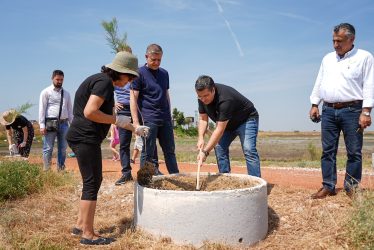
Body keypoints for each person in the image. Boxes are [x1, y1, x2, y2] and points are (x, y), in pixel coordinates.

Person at [66, 51, 149, 245]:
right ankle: (88, 234)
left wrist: (134, 128)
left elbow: (104, 115)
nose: (129, 82)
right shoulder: (103, 83)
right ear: (119, 72)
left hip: (84, 137)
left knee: (94, 180)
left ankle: (80, 224)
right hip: (84, 137)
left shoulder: (100, 80)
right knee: (91, 182)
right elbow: (90, 112)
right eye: (129, 77)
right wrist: (115, 119)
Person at [309, 23, 374, 199]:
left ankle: (351, 188)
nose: (336, 45)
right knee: (327, 151)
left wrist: (366, 112)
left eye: (340, 41)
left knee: (354, 151)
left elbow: (369, 85)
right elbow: (319, 81)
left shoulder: (365, 57)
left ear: (351, 39)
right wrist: (315, 103)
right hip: (328, 110)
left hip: (353, 110)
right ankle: (328, 186)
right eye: (333, 41)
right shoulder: (327, 59)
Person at [195, 75, 261, 177]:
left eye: (206, 96)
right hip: (228, 124)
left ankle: (256, 183)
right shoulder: (201, 97)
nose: (203, 99)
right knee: (220, 148)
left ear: (213, 90)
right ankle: (225, 177)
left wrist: (205, 152)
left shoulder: (225, 99)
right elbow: (203, 119)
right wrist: (200, 138)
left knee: (248, 149)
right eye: (200, 96)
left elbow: (220, 130)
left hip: (246, 119)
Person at [130, 44, 179, 174]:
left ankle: (176, 177)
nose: (156, 62)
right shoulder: (139, 73)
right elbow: (133, 99)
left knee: (170, 151)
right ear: (146, 57)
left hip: (165, 119)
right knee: (148, 152)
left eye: (159, 60)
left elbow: (166, 95)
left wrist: (169, 116)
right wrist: (136, 123)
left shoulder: (164, 73)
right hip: (149, 119)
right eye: (153, 60)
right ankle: (144, 183)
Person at [39, 70, 73, 171]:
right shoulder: (46, 92)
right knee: (48, 148)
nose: (59, 81)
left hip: (64, 124)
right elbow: (42, 109)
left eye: (61, 80)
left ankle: (61, 169)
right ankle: (46, 170)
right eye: (57, 79)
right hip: (50, 123)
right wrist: (41, 125)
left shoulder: (66, 94)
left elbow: (70, 110)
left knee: (63, 149)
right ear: (52, 78)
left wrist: (73, 125)